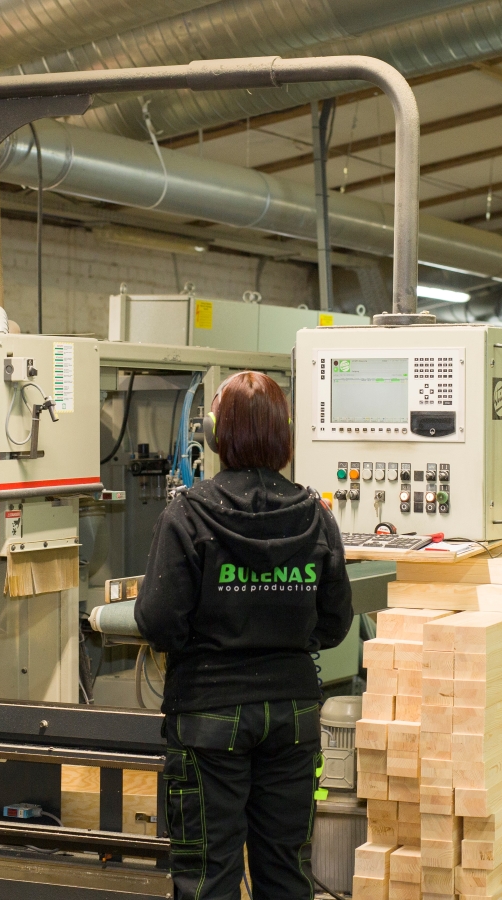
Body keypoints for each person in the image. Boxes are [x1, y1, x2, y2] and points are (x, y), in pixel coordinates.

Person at [135, 370, 353, 900]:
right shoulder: (316, 515)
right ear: (285, 434)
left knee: (208, 875)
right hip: (292, 716)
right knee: (287, 871)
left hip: (209, 716)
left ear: (215, 434)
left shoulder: (188, 514)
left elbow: (158, 620)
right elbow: (335, 623)